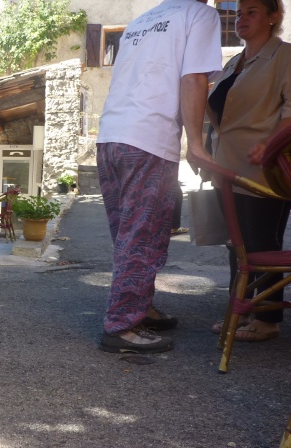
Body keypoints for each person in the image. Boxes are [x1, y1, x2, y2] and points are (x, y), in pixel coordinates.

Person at [96, 0, 222, 353]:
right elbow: (195, 78)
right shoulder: (200, 14)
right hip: (149, 139)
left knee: (130, 235)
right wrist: (196, 142)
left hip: (110, 137)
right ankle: (122, 326)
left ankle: (140, 307)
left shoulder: (140, 21)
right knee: (141, 236)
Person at [206, 0, 291, 342]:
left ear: (273, 17)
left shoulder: (288, 56)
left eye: (251, 12)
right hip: (227, 167)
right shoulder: (235, 62)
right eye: (239, 12)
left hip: (264, 167)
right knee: (239, 245)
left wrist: (273, 145)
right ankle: (243, 311)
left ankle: (266, 320)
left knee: (262, 242)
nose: (240, 19)